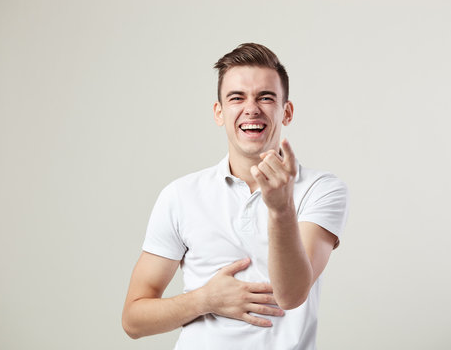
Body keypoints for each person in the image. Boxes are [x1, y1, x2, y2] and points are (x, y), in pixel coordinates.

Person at [122, 43, 349, 349]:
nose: (251, 108)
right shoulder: (180, 195)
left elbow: (292, 295)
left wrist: (281, 209)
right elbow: (134, 320)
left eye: (265, 97)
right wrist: (205, 300)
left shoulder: (320, 189)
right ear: (219, 112)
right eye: (236, 98)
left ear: (287, 111)